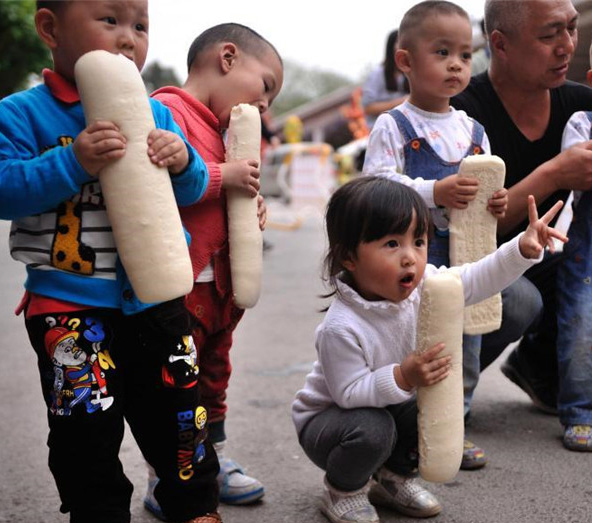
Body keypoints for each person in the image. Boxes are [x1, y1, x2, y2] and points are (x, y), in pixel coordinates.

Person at [0, 1, 222, 522]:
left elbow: (190, 190)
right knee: (85, 432)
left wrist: (184, 160)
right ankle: (96, 511)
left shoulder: (156, 113)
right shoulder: (20, 113)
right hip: (68, 308)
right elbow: (5, 190)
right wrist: (71, 159)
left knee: (182, 417)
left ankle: (194, 506)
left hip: (157, 301)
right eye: (111, 21)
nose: (129, 39)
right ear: (51, 28)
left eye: (140, 26)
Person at [292, 176, 566, 523]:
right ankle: (343, 490)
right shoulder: (341, 326)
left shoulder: (424, 287)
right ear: (349, 257)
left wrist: (521, 250)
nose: (410, 258)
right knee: (374, 430)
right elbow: (348, 393)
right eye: (392, 244)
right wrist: (403, 376)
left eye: (418, 242)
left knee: (433, 410)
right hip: (330, 424)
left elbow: (473, 278)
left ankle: (392, 479)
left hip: (386, 406)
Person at [363, 0, 508, 470]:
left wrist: (495, 202)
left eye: (466, 55)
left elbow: (486, 191)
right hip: (408, 261)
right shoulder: (394, 125)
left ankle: (451, 426)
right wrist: (433, 190)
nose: (456, 65)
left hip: (462, 257)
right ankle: (404, 436)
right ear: (405, 61)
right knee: (408, 347)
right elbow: (377, 186)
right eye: (442, 52)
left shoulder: (474, 130)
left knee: (461, 345)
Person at [149, 23, 283, 511]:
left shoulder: (232, 131)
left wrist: (254, 208)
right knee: (176, 385)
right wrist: (223, 177)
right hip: (180, 286)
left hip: (221, 287)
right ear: (227, 58)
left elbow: (234, 199)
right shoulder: (167, 111)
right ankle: (170, 473)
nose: (265, 106)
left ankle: (214, 456)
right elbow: (158, 186)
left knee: (215, 375)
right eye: (265, 86)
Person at [451, 0, 592, 422]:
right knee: (518, 300)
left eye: (571, 29)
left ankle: (539, 364)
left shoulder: (582, 107)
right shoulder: (460, 113)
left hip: (544, 256)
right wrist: (554, 173)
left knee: (582, 272)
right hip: (470, 265)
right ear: (501, 44)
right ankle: (439, 395)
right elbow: (470, 226)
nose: (566, 46)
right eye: (549, 35)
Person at [553, 41, 592, 451]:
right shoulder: (583, 123)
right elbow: (576, 171)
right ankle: (580, 409)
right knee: (581, 325)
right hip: (586, 244)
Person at [361, 29, 408, 129]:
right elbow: (368, 108)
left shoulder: (411, 70)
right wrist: (400, 102)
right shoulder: (377, 74)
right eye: (399, 42)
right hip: (383, 130)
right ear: (391, 47)